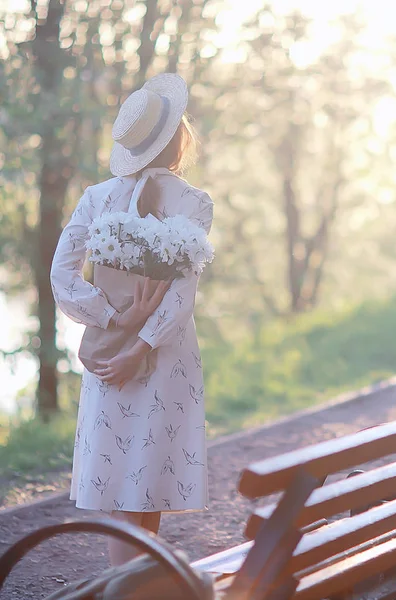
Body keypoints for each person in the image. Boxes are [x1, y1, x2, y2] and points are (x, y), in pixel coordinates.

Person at [50, 73, 214, 566]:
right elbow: (181, 298)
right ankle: (136, 588)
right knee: (148, 486)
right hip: (166, 358)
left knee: (122, 490)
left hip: (108, 351)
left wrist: (111, 316)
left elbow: (62, 276)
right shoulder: (194, 202)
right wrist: (139, 342)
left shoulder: (96, 197)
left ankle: (131, 587)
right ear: (177, 139)